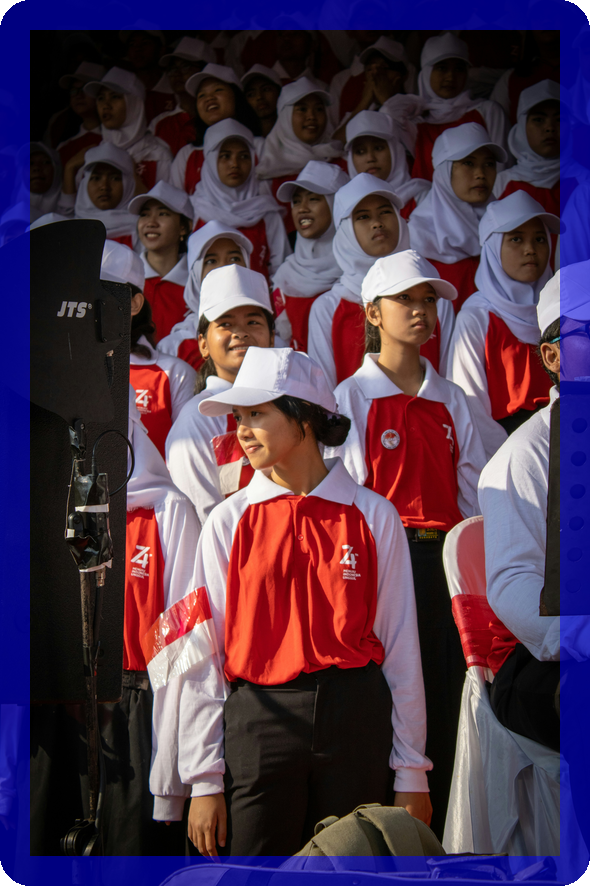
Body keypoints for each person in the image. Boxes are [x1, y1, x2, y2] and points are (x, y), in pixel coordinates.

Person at [149, 346, 432, 856]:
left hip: (356, 719)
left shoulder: (374, 514)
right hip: (259, 723)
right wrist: (205, 779)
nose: (242, 430)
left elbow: (401, 647)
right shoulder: (227, 521)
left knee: (353, 872)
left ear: (305, 417)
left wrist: (412, 770)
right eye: (238, 417)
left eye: (257, 413)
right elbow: (204, 657)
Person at [326, 249, 486, 837]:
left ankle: (445, 837)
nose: (421, 311)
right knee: (387, 693)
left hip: (442, 566)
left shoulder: (453, 399)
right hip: (380, 566)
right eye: (405, 300)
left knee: (443, 695)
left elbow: (471, 493)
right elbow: (345, 499)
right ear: (372, 312)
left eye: (428, 301)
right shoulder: (350, 397)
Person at [95, 389, 200, 854]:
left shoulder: (170, 510)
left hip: (138, 706)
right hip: (66, 704)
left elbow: (180, 645)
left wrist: (169, 772)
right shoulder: (55, 508)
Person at [308, 174, 454, 389]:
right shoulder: (327, 309)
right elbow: (324, 391)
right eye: (363, 217)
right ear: (345, 231)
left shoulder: (436, 299)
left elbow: (450, 378)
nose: (377, 223)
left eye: (385, 212)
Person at [449, 191, 560, 460]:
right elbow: (470, 405)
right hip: (506, 446)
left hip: (563, 434)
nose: (530, 249)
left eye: (540, 239)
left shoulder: (560, 310)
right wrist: (511, 456)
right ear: (492, 248)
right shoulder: (477, 316)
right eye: (516, 239)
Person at [165, 264, 275, 526]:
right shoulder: (196, 420)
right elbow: (204, 519)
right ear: (203, 344)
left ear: (272, 337)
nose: (241, 332)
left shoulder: (295, 405)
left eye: (253, 322)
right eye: (225, 324)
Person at [101, 240, 196, 460]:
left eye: (106, 291)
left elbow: (185, 458)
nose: (93, 301)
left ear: (135, 304)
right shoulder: (63, 368)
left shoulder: (175, 373)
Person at [408, 122, 507, 312]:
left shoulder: (508, 227)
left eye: (489, 164)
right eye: (468, 163)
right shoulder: (417, 236)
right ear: (445, 171)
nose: (480, 174)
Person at [191, 118, 290, 280]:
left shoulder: (266, 211)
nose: (234, 164)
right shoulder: (197, 208)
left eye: (244, 156)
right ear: (210, 160)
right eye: (225, 156)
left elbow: (281, 270)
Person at [272, 160, 349, 352]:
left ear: (337, 204)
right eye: (296, 201)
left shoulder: (359, 268)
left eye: (313, 199)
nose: (302, 208)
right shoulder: (285, 276)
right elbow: (283, 340)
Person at [412, 33, 508, 183]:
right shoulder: (413, 121)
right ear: (426, 72)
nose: (450, 77)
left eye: (459, 69)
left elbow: (501, 172)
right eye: (442, 68)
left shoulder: (487, 111)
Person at [157, 221, 253, 371]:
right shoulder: (172, 348)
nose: (224, 268)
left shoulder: (268, 341)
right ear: (196, 274)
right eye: (211, 261)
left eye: (234, 259)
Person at [255, 77, 345, 233]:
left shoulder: (341, 161)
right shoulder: (268, 172)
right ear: (285, 116)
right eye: (302, 109)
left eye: (319, 109)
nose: (311, 116)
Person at [170, 64, 262, 196]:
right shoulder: (186, 154)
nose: (209, 98)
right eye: (202, 95)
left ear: (237, 97)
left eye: (218, 90)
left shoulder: (259, 146)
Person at [84, 66, 172, 189]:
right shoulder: (93, 157)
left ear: (134, 104)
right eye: (100, 98)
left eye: (115, 97)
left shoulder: (158, 155)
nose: (105, 105)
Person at [128, 181, 193, 342]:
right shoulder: (124, 279)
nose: (151, 223)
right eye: (145, 214)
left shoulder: (197, 283)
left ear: (184, 227)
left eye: (163, 214)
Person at [344, 110, 429, 217]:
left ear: (395, 151)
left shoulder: (422, 197)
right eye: (360, 152)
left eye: (378, 148)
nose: (370, 158)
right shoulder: (347, 207)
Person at [493, 80, 560, 215]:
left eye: (560, 119)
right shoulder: (501, 183)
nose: (550, 128)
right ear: (522, 128)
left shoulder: (583, 181)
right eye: (539, 120)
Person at [59, 143, 140, 250]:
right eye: (96, 178)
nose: (104, 186)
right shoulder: (70, 231)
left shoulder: (142, 231)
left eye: (115, 178)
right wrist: (69, 167)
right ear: (85, 184)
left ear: (128, 185)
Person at [331, 36, 415, 136]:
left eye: (383, 68)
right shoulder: (363, 110)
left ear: (404, 75)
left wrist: (386, 100)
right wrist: (365, 101)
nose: (375, 74)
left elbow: (410, 139)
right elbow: (336, 142)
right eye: (369, 69)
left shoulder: (415, 107)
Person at [149, 37, 215, 158]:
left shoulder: (217, 116)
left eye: (185, 66)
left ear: (205, 70)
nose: (177, 73)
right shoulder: (159, 123)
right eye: (172, 69)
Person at [56, 62, 105, 167]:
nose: (78, 95)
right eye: (74, 90)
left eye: (85, 89)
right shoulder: (63, 148)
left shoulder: (118, 140)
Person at [21, 143, 62, 223]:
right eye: (30, 163)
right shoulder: (6, 212)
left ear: (57, 168)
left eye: (45, 162)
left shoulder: (74, 208)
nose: (36, 167)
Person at [242, 65, 282, 137]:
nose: (259, 97)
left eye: (266, 89)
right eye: (251, 94)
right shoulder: (242, 137)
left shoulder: (295, 133)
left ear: (279, 92)